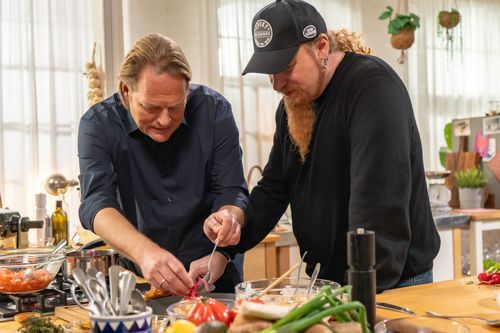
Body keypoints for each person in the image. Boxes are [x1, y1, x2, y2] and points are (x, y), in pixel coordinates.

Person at [205, 0, 440, 292]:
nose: (277, 84)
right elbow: (275, 188)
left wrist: (360, 296)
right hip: (334, 283)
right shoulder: (293, 104)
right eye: (269, 71)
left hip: (390, 284)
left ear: (322, 47)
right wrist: (228, 242)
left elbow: (378, 209)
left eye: (286, 66)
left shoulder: (372, 89)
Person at [78, 33, 249, 295]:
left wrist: (229, 218)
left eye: (176, 107)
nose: (165, 120)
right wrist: (145, 253)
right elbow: (96, 202)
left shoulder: (215, 111)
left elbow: (232, 191)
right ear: (126, 90)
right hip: (139, 281)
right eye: (151, 108)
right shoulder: (98, 124)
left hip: (213, 276)